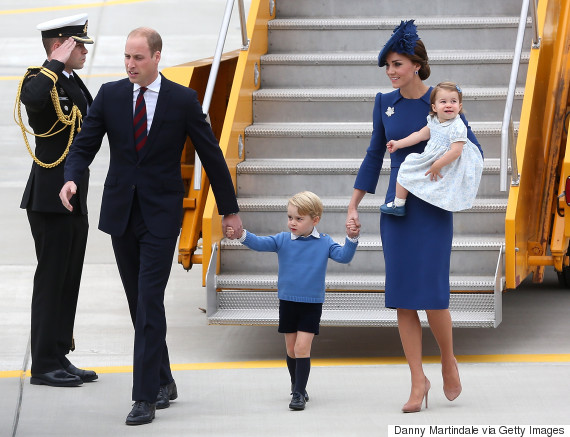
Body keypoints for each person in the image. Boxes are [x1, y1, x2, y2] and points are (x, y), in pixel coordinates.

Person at [59, 27, 243, 425]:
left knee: (148, 300)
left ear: (157, 57)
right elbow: (85, 144)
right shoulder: (110, 95)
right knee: (138, 302)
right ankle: (164, 378)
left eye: (138, 57)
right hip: (122, 213)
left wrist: (228, 209)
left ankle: (144, 397)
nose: (130, 64)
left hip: (161, 215)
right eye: (127, 57)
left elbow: (211, 155)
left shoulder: (182, 100)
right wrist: (71, 176)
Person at [346, 20, 483, 413]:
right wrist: (354, 204)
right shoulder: (383, 102)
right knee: (404, 298)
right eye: (388, 64)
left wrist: (441, 170)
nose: (391, 71)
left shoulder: (442, 101)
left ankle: (448, 359)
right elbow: (375, 155)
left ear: (417, 65)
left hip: (433, 209)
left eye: (398, 63)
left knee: (434, 295)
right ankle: (417, 380)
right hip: (398, 209)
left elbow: (470, 151)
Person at [16, 13, 98, 387]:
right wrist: (54, 62)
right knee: (51, 278)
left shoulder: (71, 80)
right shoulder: (39, 78)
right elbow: (31, 101)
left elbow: (93, 118)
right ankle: (43, 364)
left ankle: (59, 353)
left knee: (69, 278)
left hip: (74, 193)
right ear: (60, 45)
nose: (83, 51)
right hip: (49, 195)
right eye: (78, 44)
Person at [226, 191, 360, 411]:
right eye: (290, 217)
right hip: (288, 301)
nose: (292, 223)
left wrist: (352, 238)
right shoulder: (282, 239)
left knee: (302, 347)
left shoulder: (324, 242)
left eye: (299, 219)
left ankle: (298, 393)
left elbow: (344, 256)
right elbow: (259, 243)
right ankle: (297, 383)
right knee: (290, 348)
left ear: (315, 220)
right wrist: (240, 234)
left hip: (311, 304)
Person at [380, 81, 483, 216]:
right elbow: (420, 135)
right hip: (432, 156)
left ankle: (436, 199)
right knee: (407, 165)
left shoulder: (457, 126)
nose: (448, 105)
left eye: (453, 101)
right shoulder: (434, 121)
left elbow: (456, 151)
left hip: (449, 162)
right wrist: (398, 144)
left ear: (459, 106)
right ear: (434, 107)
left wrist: (438, 164)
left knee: (438, 178)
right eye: (443, 102)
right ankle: (399, 204)